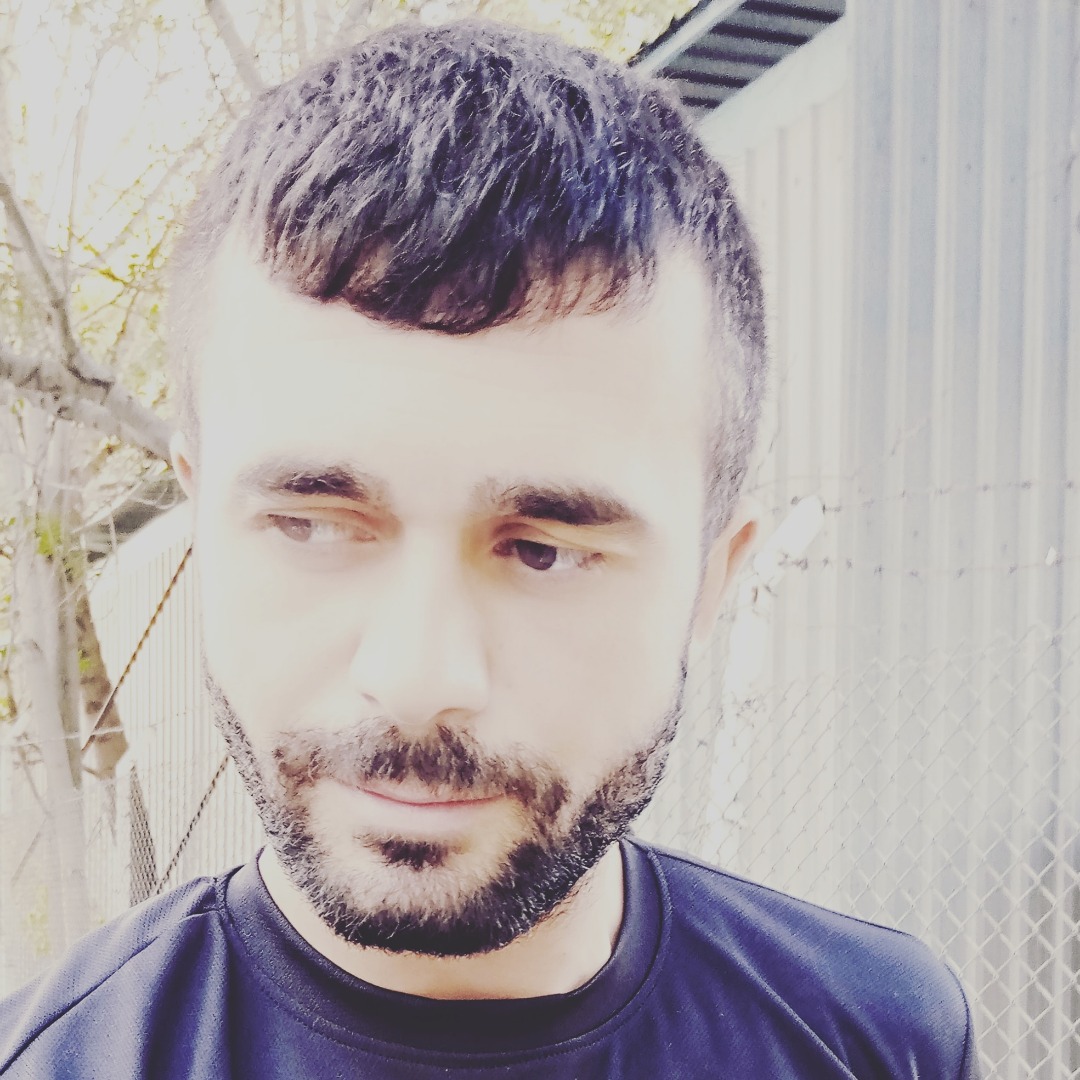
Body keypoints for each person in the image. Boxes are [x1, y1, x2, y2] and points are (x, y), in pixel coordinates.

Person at [0, 18, 981, 1079]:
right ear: (204, 530)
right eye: (312, 525)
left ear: (712, 580)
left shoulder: (878, 1038)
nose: (418, 679)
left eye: (544, 550)